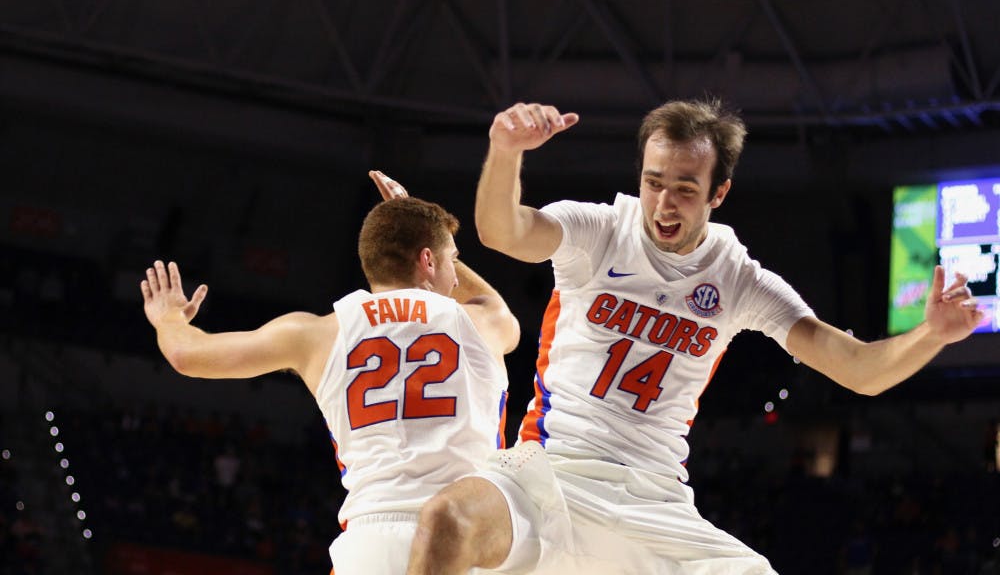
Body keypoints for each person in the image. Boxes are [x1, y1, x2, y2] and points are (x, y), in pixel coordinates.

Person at [406, 101, 984, 575]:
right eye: (653, 182)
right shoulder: (599, 231)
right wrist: (507, 151)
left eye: (684, 188)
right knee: (444, 523)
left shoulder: (737, 279)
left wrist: (931, 334)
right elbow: (501, 230)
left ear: (718, 194)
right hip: (551, 469)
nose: (662, 203)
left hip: (654, 499)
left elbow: (859, 369)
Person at [141, 171, 520, 575]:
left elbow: (186, 355)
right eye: (452, 260)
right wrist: (411, 215)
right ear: (427, 260)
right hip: (464, 535)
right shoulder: (482, 323)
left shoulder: (316, 333)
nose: (456, 275)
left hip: (369, 544)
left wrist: (168, 319)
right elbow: (489, 299)